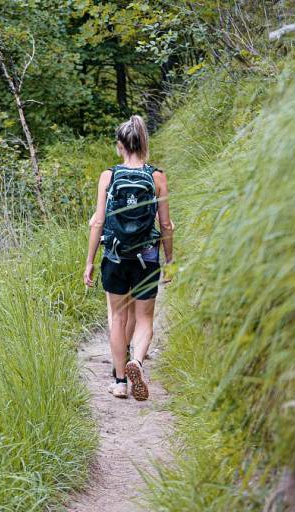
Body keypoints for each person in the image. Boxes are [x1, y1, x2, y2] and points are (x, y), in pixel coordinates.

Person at [83, 115, 174, 400]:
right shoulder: (156, 176)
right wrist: (170, 261)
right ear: (144, 143)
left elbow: (98, 222)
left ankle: (120, 381)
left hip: (115, 255)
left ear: (120, 145)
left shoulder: (108, 176)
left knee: (118, 317)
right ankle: (137, 360)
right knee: (144, 318)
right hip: (147, 256)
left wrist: (90, 261)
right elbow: (167, 225)